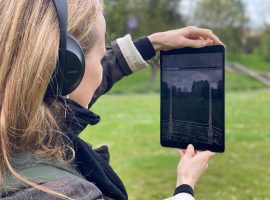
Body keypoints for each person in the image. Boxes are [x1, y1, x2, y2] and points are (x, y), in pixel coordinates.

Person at [0, 0, 221, 199]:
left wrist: (152, 43)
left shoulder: (16, 126)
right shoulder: (67, 194)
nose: (101, 69)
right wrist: (185, 185)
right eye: (100, 57)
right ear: (68, 71)